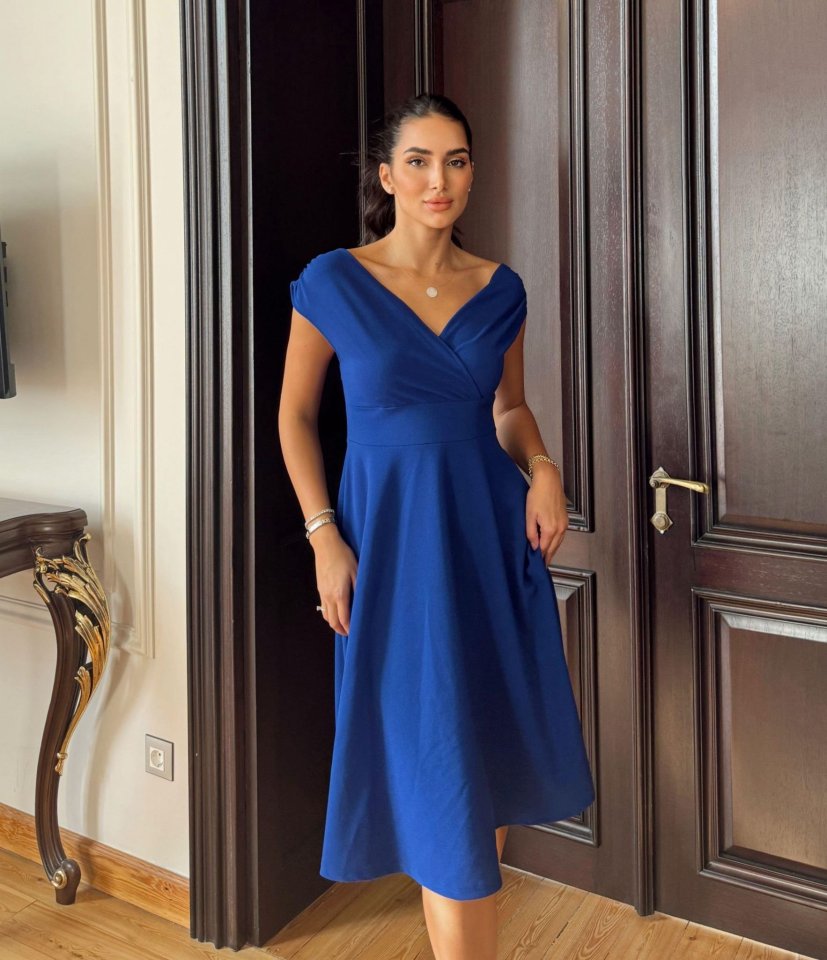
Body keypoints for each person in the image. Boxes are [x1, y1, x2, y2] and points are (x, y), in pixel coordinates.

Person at [278, 92, 595, 960]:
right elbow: (294, 417)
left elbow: (509, 409)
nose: (437, 180)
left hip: (486, 545)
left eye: (455, 160)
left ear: (471, 173)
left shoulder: (500, 288)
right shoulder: (333, 281)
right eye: (417, 161)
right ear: (386, 176)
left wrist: (543, 468)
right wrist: (323, 536)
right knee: (431, 774)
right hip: (389, 552)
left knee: (480, 765)